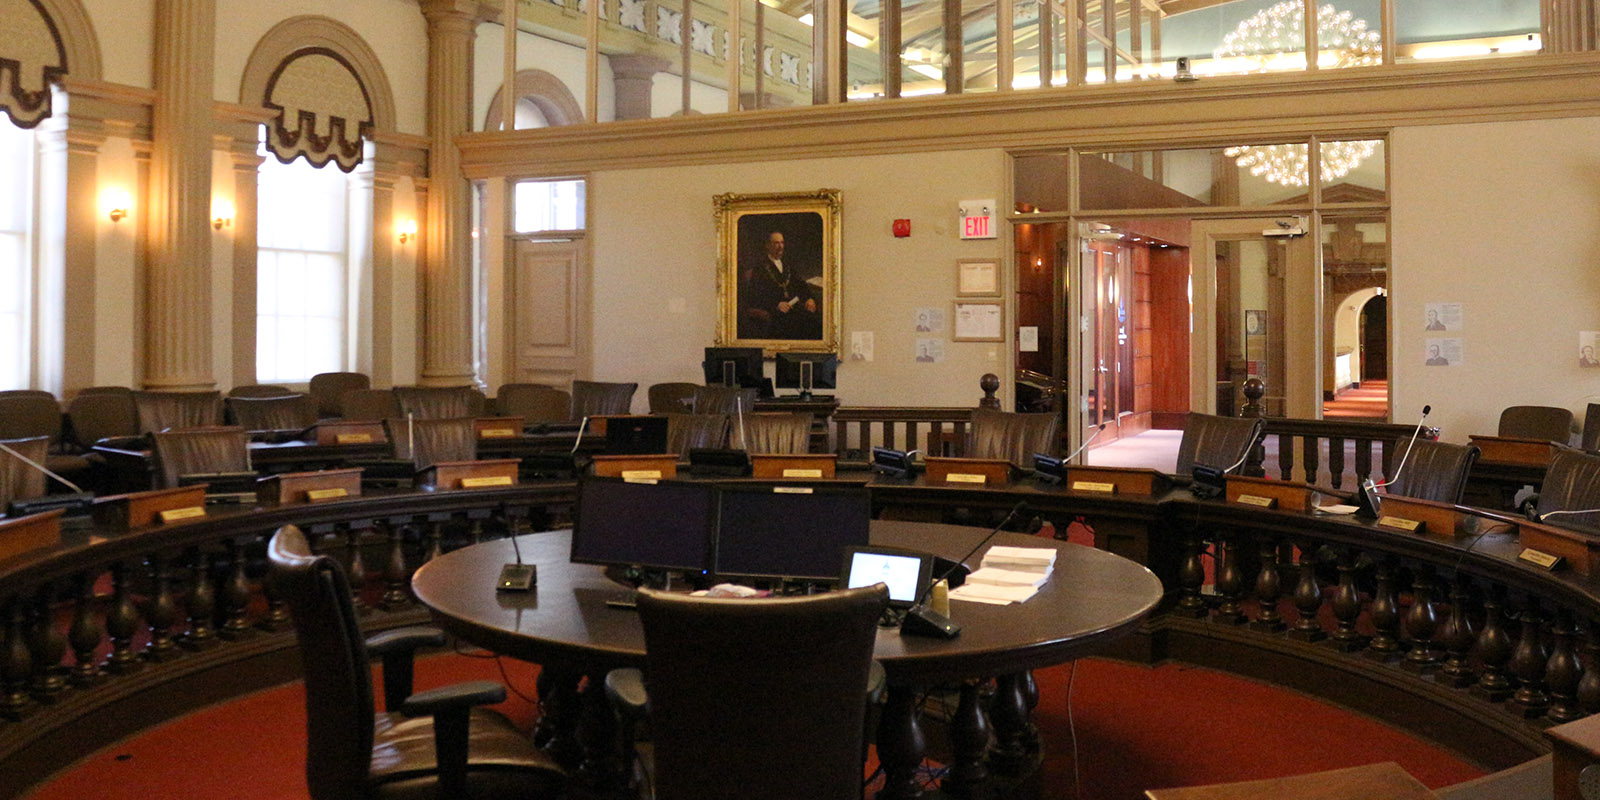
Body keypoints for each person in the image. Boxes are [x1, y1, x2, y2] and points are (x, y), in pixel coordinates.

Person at [738, 231, 820, 340]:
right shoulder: (760, 267)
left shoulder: (787, 265)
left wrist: (809, 298)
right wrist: (776, 304)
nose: (780, 246)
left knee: (814, 321)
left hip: (793, 308)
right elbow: (755, 295)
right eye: (776, 243)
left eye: (782, 243)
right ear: (768, 245)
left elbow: (801, 285)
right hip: (775, 312)